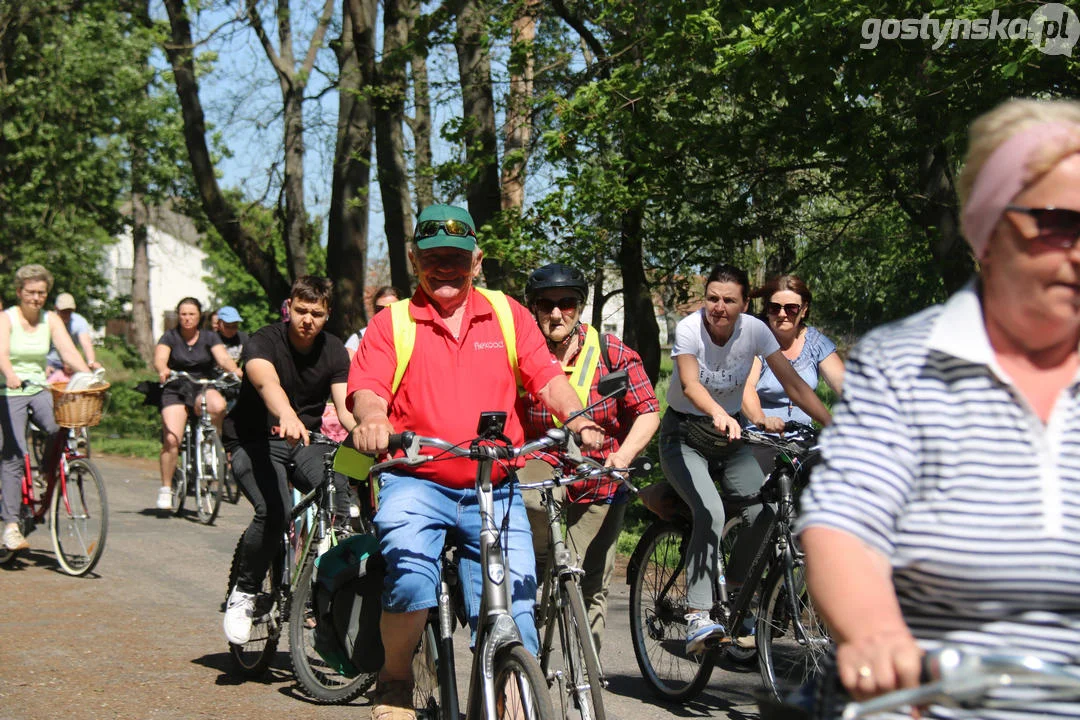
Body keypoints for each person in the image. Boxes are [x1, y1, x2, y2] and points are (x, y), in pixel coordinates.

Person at [799, 99, 1080, 716]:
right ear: (990, 230)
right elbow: (846, 520)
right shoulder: (903, 364)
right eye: (1061, 224)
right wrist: (877, 635)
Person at [348, 204, 605, 720]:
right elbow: (368, 392)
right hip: (417, 479)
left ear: (477, 261)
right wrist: (372, 420)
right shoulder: (392, 322)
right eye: (433, 258)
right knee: (411, 576)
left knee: (518, 608)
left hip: (495, 483)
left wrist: (579, 418)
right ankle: (395, 677)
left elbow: (547, 377)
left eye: (457, 260)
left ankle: (513, 697)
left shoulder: (507, 313)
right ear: (413, 258)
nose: (445, 269)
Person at [660, 263, 831, 654]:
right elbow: (688, 383)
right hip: (684, 435)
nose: (718, 307)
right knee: (712, 512)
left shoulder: (755, 331)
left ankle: (735, 593)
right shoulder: (690, 329)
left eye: (729, 300)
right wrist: (718, 411)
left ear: (744, 304)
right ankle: (698, 615)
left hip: (730, 440)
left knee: (767, 513)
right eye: (713, 299)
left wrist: (834, 424)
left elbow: (794, 384)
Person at [519, 262, 660, 651]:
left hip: (602, 476)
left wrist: (625, 455)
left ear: (579, 307)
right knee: (530, 505)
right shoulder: (521, 351)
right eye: (545, 304)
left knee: (590, 578)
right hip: (542, 466)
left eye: (566, 303)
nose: (556, 313)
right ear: (533, 308)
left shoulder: (611, 352)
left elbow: (649, 410)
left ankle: (587, 678)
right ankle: (529, 651)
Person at [222, 276, 356, 644]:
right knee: (274, 510)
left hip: (303, 442)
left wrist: (364, 431)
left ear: (327, 315)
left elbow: (345, 409)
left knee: (339, 496)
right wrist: (287, 415)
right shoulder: (264, 340)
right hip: (253, 441)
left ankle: (324, 593)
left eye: (316, 313)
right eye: (300, 311)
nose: (307, 319)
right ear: (289, 307)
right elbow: (267, 383)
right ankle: (245, 592)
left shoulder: (334, 351)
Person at [0, 265, 90, 550]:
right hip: (9, 388)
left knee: (58, 426)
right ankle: (11, 526)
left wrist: (87, 374)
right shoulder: (7, 318)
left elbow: (68, 351)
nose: (36, 298)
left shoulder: (50, 319)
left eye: (41, 293)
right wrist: (10, 374)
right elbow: (1, 353)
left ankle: (44, 474)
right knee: (14, 454)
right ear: (19, 292)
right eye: (31, 292)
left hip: (39, 387)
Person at [152, 297, 241, 511]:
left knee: (218, 405)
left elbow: (223, 358)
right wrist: (163, 369)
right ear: (178, 315)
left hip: (202, 385)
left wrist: (235, 370)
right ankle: (166, 488)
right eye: (183, 314)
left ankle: (210, 444)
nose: (187, 318)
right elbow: (160, 358)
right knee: (173, 439)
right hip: (175, 387)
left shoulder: (210, 337)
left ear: (199, 315)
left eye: (191, 314)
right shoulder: (170, 336)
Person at [44, 292, 101, 382]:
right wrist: (44, 365)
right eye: (63, 311)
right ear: (56, 308)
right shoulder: (47, 320)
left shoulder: (79, 322)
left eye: (69, 311)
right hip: (51, 361)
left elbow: (86, 343)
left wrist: (91, 362)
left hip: (70, 364)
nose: (66, 314)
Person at [343, 285, 402, 360]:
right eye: (380, 309)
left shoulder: (411, 337)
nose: (385, 313)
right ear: (374, 310)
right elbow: (346, 369)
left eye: (392, 308)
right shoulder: (358, 339)